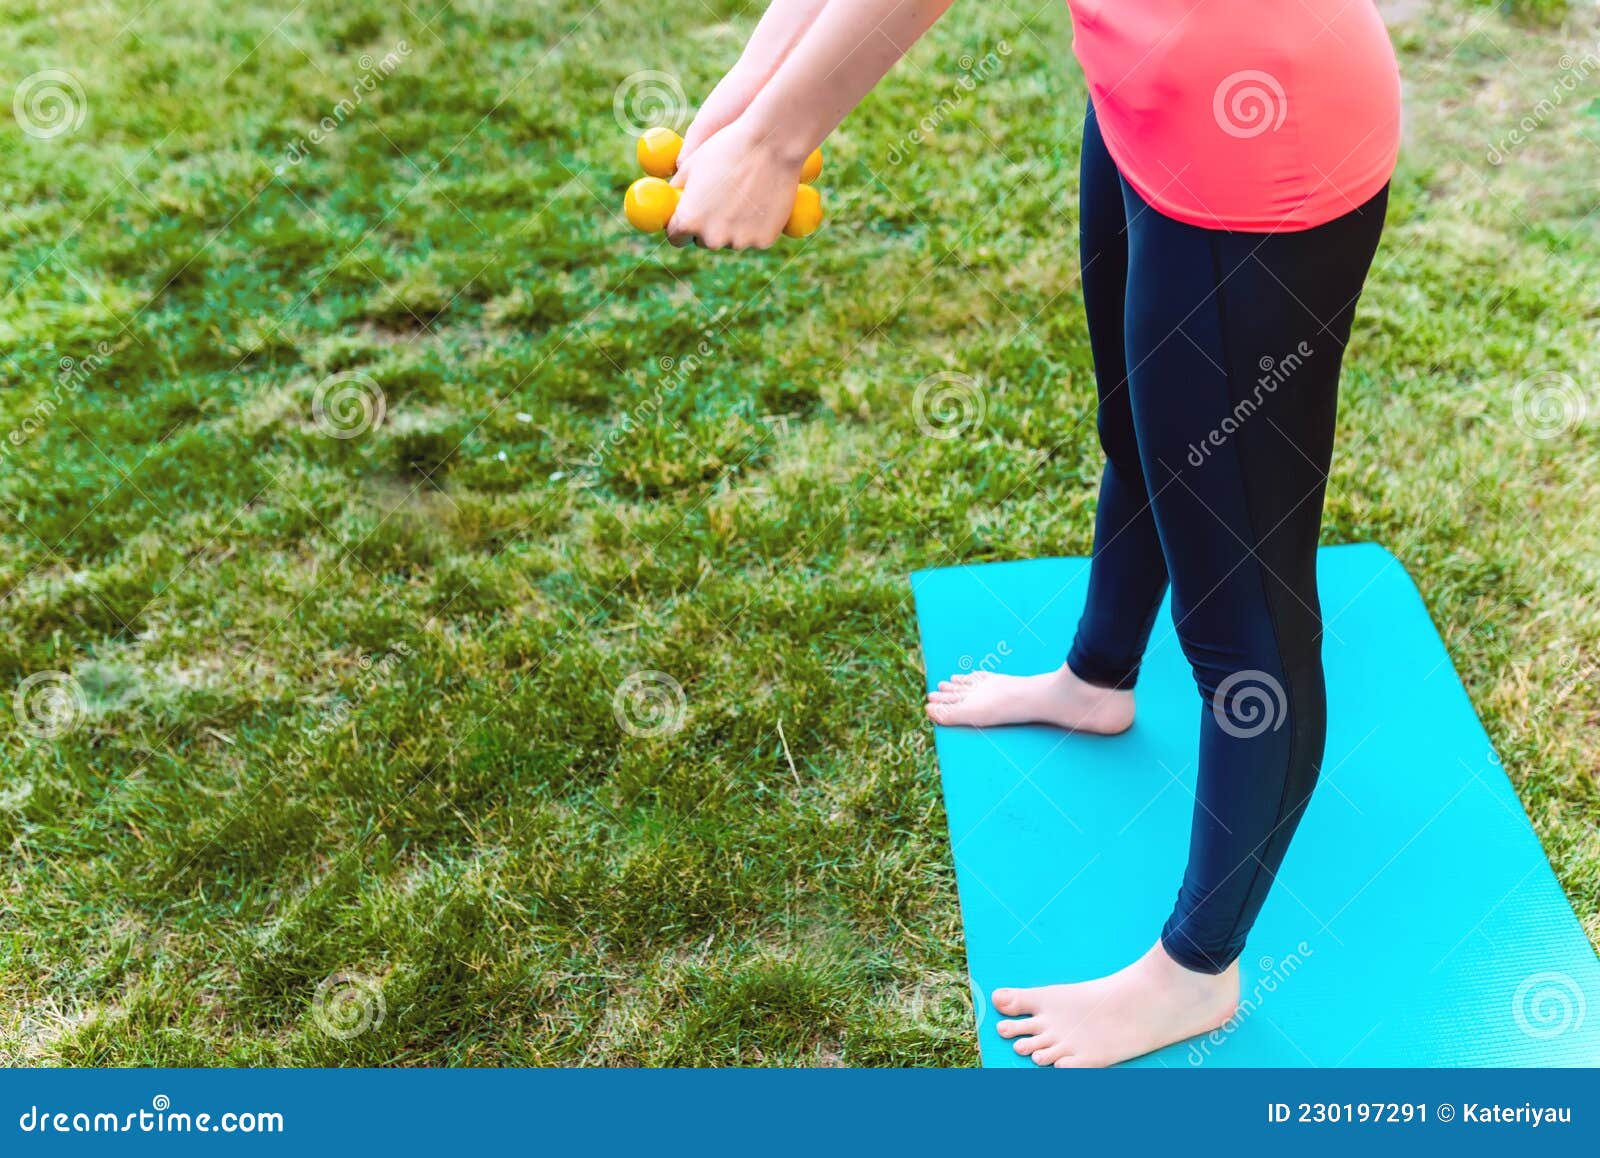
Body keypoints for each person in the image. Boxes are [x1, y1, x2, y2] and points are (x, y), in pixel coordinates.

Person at [670, 0, 1401, 1067]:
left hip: (1259, 153)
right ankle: (1096, 681)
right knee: (1139, 427)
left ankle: (1195, 973)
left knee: (1243, 612)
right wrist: (745, 105)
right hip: (1144, 103)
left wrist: (780, 141)